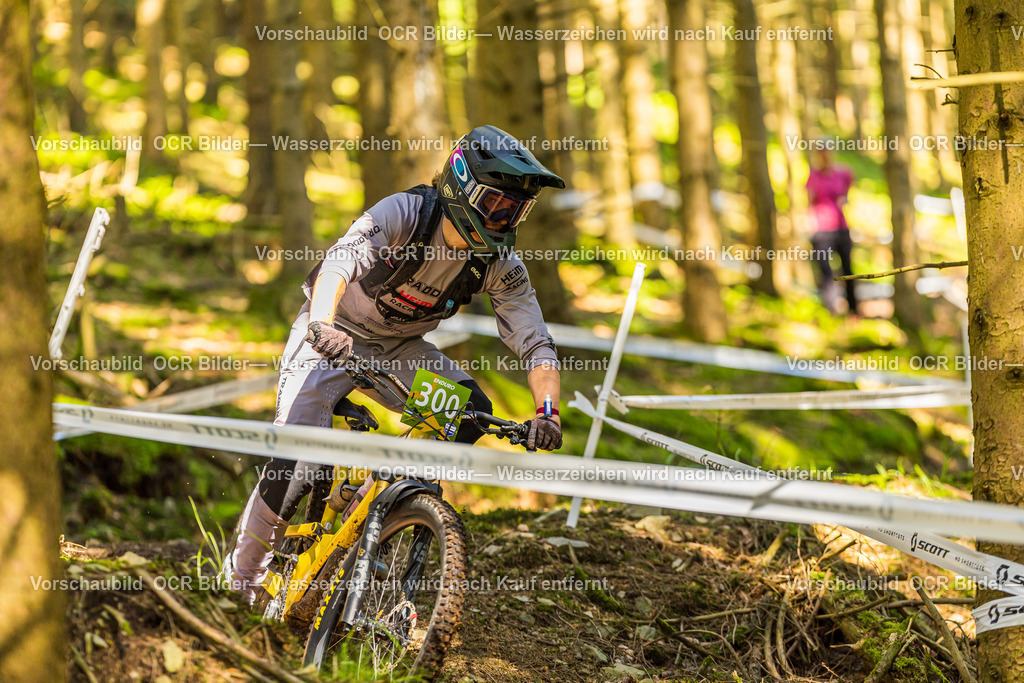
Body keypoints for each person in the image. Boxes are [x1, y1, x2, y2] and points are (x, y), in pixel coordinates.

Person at [221, 125, 567, 604]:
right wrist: (322, 326)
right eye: (496, 206)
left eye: (516, 212)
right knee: (295, 462)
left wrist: (546, 412)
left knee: (470, 414)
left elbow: (536, 344)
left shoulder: (499, 263)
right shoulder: (405, 212)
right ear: (462, 185)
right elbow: (339, 263)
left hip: (399, 348)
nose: (504, 221)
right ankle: (241, 582)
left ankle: (372, 498)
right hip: (330, 332)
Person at [806, 147, 858, 316]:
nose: (824, 156)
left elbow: (849, 193)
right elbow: (810, 201)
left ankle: (853, 310)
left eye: (826, 152)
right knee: (826, 272)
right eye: (820, 153)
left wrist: (845, 200)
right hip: (821, 230)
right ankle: (831, 310)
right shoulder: (813, 176)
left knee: (847, 269)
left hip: (841, 228)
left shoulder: (843, 173)